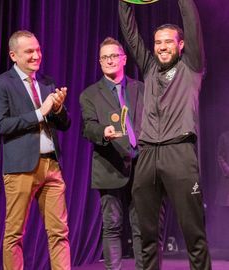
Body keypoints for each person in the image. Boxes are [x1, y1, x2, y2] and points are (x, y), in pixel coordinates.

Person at [119, 0, 212, 269]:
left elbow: (191, 24)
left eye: (168, 42)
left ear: (180, 45)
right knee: (145, 236)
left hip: (179, 153)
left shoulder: (191, 67)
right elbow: (130, 33)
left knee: (194, 234)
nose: (161, 47)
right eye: (158, 42)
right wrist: (125, 3)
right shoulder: (149, 69)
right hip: (147, 155)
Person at [0, 30, 71, 270]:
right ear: (14, 55)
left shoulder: (46, 82)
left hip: (51, 166)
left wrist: (57, 109)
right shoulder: (2, 84)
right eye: (29, 51)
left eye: (38, 50)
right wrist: (40, 113)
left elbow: (65, 124)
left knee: (59, 232)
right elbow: (1, 125)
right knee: (15, 233)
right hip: (21, 169)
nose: (36, 55)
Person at [79, 37, 144, 270]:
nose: (109, 60)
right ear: (99, 62)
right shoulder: (89, 94)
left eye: (113, 55)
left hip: (140, 166)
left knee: (141, 227)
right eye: (104, 57)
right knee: (112, 225)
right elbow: (87, 127)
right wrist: (102, 133)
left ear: (124, 59)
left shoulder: (140, 88)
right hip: (110, 166)